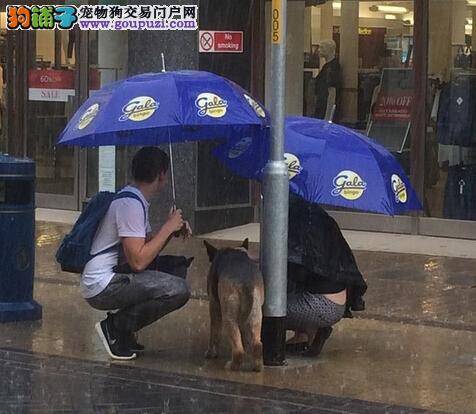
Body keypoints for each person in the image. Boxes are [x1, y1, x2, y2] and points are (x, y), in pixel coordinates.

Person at [82, 147, 192, 360]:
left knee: (175, 269)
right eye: (166, 174)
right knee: (178, 289)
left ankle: (123, 331)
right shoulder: (130, 204)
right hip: (103, 284)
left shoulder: (136, 200)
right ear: (161, 174)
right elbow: (138, 262)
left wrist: (170, 232)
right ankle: (115, 328)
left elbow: (147, 247)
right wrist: (167, 227)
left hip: (111, 277)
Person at [285, 194, 367, 357]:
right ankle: (305, 334)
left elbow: (294, 271)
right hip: (339, 302)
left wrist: (263, 260)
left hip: (320, 305)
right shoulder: (320, 218)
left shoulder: (300, 224)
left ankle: (311, 329)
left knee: (263, 305)